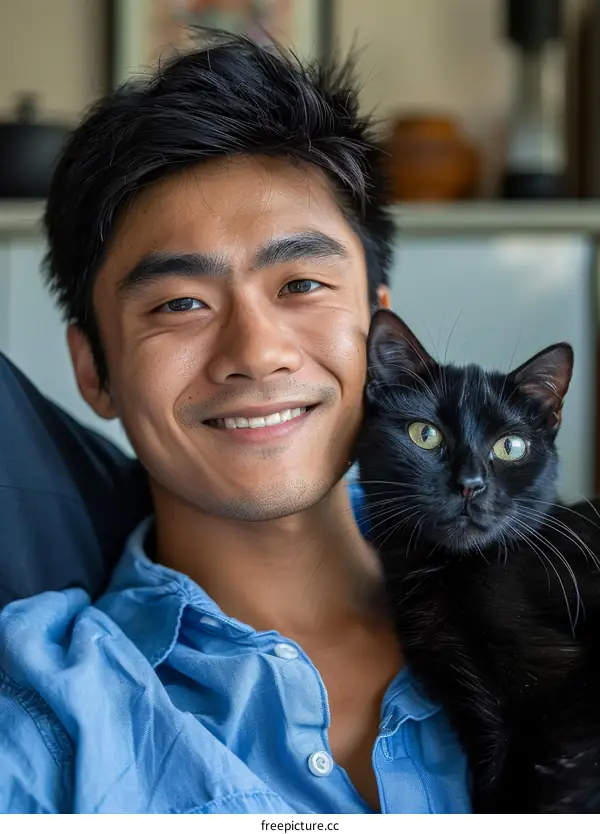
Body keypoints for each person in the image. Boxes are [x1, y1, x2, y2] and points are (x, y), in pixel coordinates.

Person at [0, 34, 470, 814]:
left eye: (303, 283)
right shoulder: (49, 717)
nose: (257, 354)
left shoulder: (554, 599)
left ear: (382, 335)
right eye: (180, 303)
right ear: (95, 370)